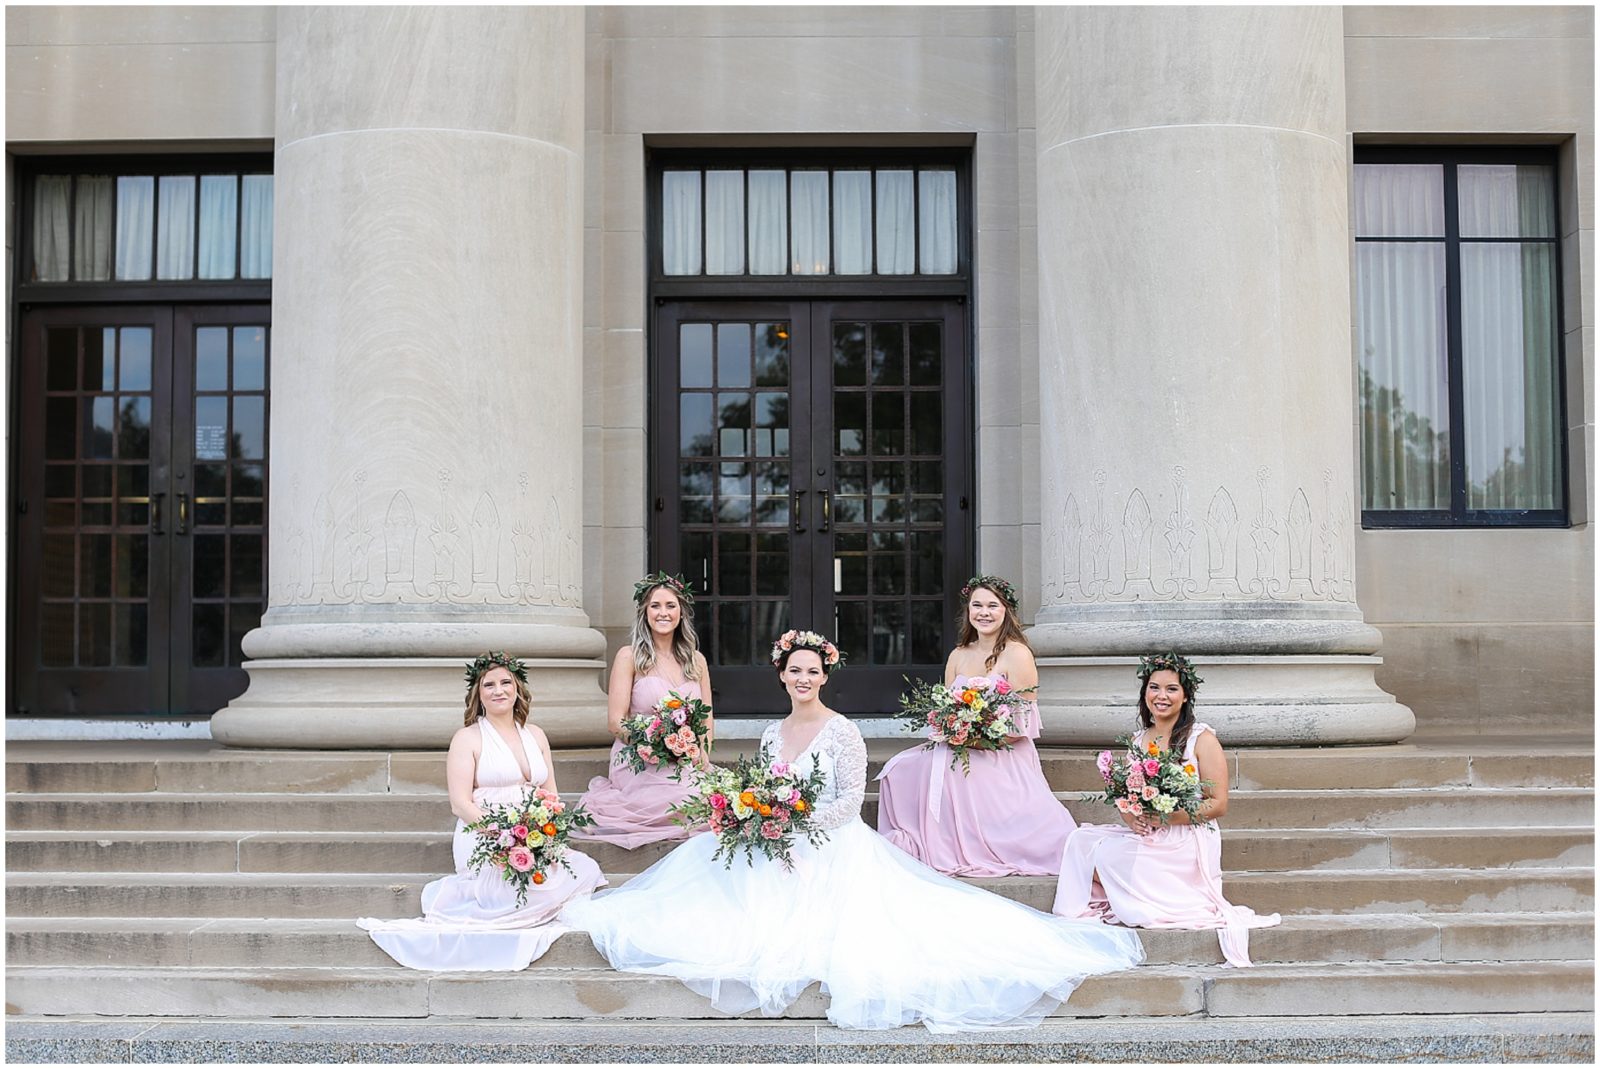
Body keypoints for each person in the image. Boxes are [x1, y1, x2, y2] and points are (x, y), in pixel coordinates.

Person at [561, 630, 1144, 1032]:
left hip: (830, 844)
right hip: (775, 838)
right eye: (795, 671)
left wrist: (795, 821)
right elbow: (762, 786)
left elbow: (848, 800)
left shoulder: (843, 732)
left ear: (825, 677)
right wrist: (761, 816)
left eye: (812, 671)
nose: (803, 679)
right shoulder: (769, 734)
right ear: (782, 676)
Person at [358, 651, 605, 970]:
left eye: (505, 682)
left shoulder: (537, 734)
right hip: (485, 837)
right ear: (478, 693)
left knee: (581, 868)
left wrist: (546, 834)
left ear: (518, 688)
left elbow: (550, 794)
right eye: (489, 685)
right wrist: (504, 835)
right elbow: (460, 804)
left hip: (533, 833)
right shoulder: (468, 738)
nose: (498, 690)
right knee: (505, 892)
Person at [1052, 652, 1280, 967]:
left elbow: (1218, 804)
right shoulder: (1138, 740)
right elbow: (1127, 797)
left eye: (1171, 689)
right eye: (1154, 688)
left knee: (1108, 856)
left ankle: (1155, 896)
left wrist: (1165, 817)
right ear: (1144, 693)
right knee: (1079, 842)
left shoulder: (1201, 739)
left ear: (1185, 696)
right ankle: (1132, 890)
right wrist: (1132, 819)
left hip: (1188, 835)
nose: (1161, 696)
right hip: (1152, 832)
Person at [876, 575, 1076, 876]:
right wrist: (952, 729)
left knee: (951, 771)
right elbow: (943, 708)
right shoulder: (958, 654)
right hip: (958, 745)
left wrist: (980, 739)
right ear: (968, 610)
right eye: (977, 605)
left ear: (1006, 611)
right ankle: (921, 842)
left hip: (1002, 752)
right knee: (897, 767)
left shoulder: (1017, 654)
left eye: (993, 606)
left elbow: (1024, 723)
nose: (984, 612)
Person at [572, 572, 713, 849]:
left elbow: (706, 718)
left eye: (670, 606)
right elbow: (615, 722)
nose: (663, 613)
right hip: (639, 757)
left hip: (686, 759)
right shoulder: (629, 656)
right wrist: (657, 740)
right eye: (655, 606)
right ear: (644, 612)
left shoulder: (696, 660)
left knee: (711, 798)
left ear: (681, 613)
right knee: (683, 799)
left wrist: (702, 753)